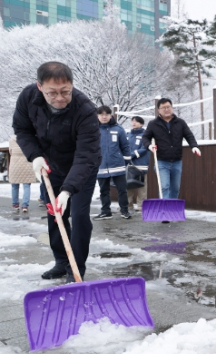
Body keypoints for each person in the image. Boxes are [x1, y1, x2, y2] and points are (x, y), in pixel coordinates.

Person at [13, 61, 101, 283]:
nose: (60, 98)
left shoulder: (85, 109)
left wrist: (68, 190)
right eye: (52, 93)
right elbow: (22, 129)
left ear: (72, 85)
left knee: (79, 216)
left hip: (83, 167)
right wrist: (35, 156)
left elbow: (85, 155)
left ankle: (76, 268)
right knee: (55, 214)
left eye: (66, 92)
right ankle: (62, 261)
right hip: (51, 165)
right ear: (40, 86)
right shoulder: (28, 98)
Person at [141, 98, 201, 201]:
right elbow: (145, 137)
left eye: (168, 107)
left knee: (175, 188)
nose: (166, 109)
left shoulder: (180, 123)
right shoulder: (153, 124)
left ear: (172, 108)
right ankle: (165, 210)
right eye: (163, 108)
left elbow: (189, 135)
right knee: (164, 186)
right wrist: (149, 146)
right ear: (158, 110)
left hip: (177, 161)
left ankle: (171, 210)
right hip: (161, 161)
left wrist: (194, 146)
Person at [95, 105, 132, 220]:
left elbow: (125, 146)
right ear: (97, 116)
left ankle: (124, 210)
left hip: (117, 165)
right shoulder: (93, 130)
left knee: (122, 189)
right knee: (103, 190)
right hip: (100, 165)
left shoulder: (118, 129)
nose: (104, 117)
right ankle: (106, 211)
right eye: (101, 114)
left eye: (106, 114)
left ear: (111, 115)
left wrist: (126, 161)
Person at [8, 135, 37, 213]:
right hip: (27, 164)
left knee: (14, 186)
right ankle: (25, 205)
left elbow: (10, 151)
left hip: (15, 164)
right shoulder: (28, 138)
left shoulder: (12, 139)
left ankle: (15, 204)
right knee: (26, 186)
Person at [127, 116, 149, 213]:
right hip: (129, 163)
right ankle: (128, 204)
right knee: (128, 184)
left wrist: (132, 154)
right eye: (133, 121)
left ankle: (141, 205)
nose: (134, 123)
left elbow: (145, 148)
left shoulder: (146, 135)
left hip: (141, 162)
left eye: (136, 121)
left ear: (141, 123)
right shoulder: (129, 134)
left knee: (142, 185)